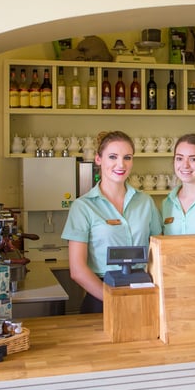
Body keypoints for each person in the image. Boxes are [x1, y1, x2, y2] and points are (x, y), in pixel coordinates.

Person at [61, 130, 162, 313]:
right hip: (101, 297)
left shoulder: (145, 202)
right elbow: (77, 270)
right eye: (113, 157)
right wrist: (114, 300)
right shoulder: (83, 207)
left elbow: (160, 253)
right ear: (99, 159)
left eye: (127, 157)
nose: (120, 164)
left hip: (143, 294)